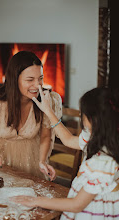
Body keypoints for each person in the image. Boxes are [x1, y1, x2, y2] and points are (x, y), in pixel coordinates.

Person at [11, 86, 119, 219]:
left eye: (82, 113)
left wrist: (35, 200)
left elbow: (76, 205)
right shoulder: (99, 138)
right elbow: (68, 140)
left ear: (92, 120)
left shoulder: (103, 162)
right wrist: (48, 111)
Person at [0, 51, 62, 180]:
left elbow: (46, 136)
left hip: (31, 162)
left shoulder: (46, 100)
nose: (38, 85)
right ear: (14, 79)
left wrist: (42, 161)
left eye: (40, 78)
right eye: (30, 80)